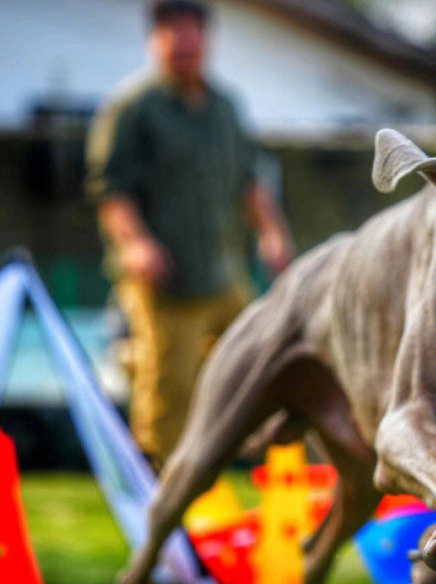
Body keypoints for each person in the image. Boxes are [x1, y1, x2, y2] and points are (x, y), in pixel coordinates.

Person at [87, 0, 294, 467]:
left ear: (206, 39)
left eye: (191, 32)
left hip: (225, 274)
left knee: (261, 354)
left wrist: (272, 232)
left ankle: (239, 461)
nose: (183, 43)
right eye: (171, 33)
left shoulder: (225, 107)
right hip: (165, 283)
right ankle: (159, 484)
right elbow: (110, 189)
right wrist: (135, 243)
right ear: (153, 40)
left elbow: (249, 180)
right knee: (169, 388)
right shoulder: (133, 108)